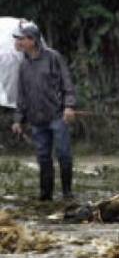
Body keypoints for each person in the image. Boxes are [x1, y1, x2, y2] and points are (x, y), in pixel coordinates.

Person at [11, 22, 77, 201]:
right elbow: (22, 95)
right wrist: (18, 119)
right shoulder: (24, 66)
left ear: (33, 40)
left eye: (23, 39)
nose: (20, 42)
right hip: (36, 119)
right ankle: (45, 194)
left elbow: (67, 83)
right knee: (43, 157)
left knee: (63, 153)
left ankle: (67, 192)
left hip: (57, 115)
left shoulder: (53, 57)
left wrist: (69, 106)